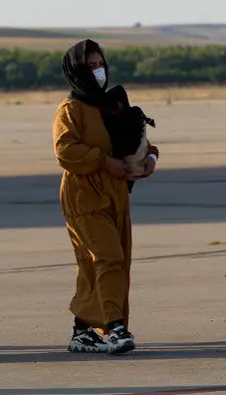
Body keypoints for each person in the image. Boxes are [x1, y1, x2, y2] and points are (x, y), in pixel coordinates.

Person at [53, 39, 158, 355]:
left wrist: (149, 158)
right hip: (84, 196)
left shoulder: (114, 105)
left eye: (100, 65)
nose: (97, 72)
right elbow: (64, 150)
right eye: (90, 66)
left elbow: (140, 140)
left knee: (98, 263)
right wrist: (103, 160)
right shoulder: (70, 109)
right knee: (108, 256)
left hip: (116, 196)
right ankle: (113, 327)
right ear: (76, 72)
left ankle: (82, 331)